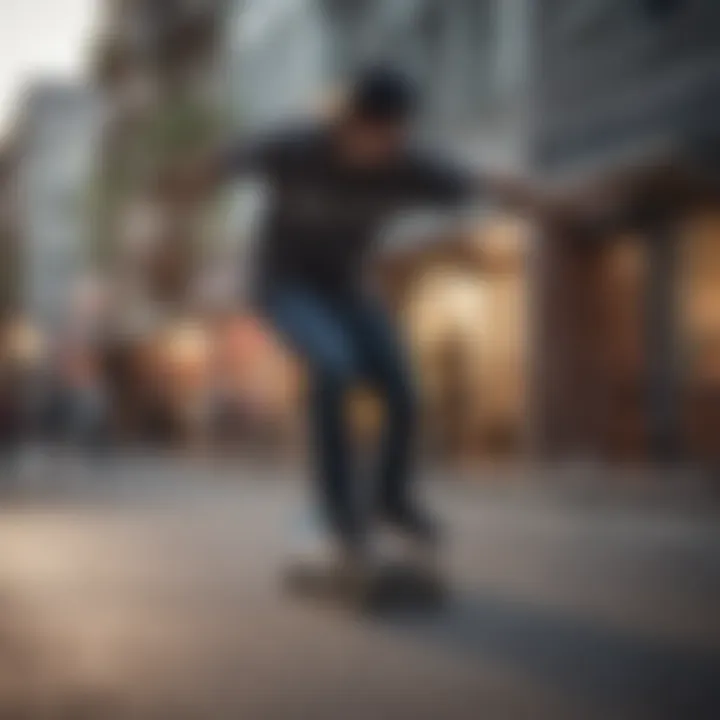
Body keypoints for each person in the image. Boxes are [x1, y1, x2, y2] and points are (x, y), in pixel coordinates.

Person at [160, 66, 578, 570]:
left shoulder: (409, 165)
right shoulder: (296, 146)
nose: (381, 147)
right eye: (372, 134)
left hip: (348, 288)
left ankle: (391, 500)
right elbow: (221, 162)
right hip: (284, 285)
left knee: (403, 388)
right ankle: (339, 513)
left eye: (392, 136)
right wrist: (177, 192)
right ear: (345, 124)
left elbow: (489, 182)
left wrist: (561, 202)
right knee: (334, 366)